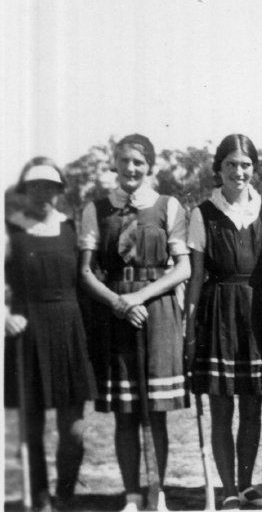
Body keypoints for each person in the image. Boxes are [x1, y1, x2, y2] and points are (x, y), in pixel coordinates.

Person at [78, 134, 190, 512]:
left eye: (139, 163)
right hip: (114, 314)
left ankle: (156, 492)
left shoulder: (167, 206)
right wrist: (118, 303)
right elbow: (86, 272)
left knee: (154, 411)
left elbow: (183, 268)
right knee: (125, 412)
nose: (131, 169)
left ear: (150, 167)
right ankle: (130, 495)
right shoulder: (96, 209)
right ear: (114, 162)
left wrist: (139, 298)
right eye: (124, 161)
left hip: (156, 311)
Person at [184, 134, 262, 510]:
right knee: (222, 407)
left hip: (258, 313)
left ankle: (247, 486)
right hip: (218, 312)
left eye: (245, 165)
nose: (238, 172)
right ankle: (226, 491)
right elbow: (194, 278)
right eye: (230, 165)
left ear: (254, 168)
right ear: (218, 168)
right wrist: (190, 327)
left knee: (253, 406)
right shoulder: (202, 213)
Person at [4, 158, 95, 512]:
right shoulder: (10, 231)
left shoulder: (74, 229)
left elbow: (88, 279)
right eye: (36, 186)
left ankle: (66, 495)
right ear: (26, 190)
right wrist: (4, 316)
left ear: (60, 191)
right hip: (27, 331)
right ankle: (39, 496)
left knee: (74, 430)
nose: (43, 193)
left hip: (70, 329)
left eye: (51, 186)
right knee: (31, 428)